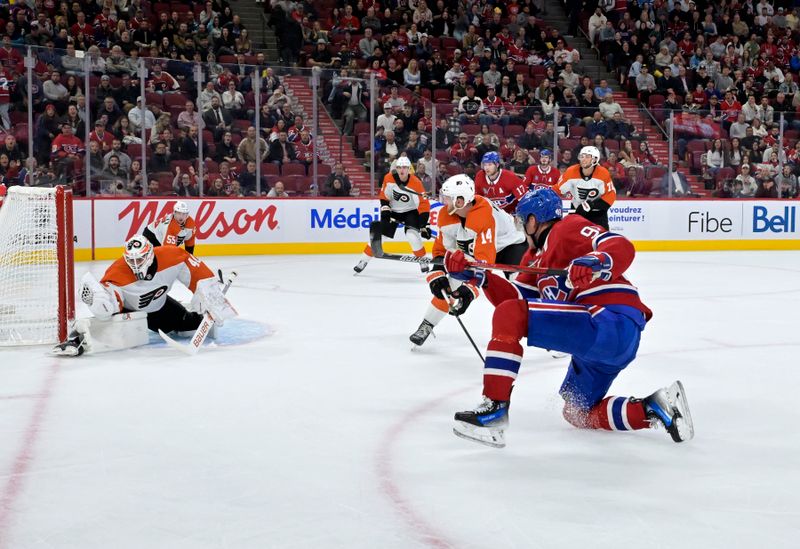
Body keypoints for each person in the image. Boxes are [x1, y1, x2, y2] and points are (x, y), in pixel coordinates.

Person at [446, 187, 694, 448]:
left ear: (534, 220)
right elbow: (517, 299)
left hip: (610, 319)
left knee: (508, 315)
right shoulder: (533, 259)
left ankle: (494, 409)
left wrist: (596, 260)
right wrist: (479, 277)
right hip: (600, 345)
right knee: (577, 412)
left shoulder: (566, 228)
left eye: (522, 220)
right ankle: (654, 408)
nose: (520, 227)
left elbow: (619, 245)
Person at [53, 235, 236, 357]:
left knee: (189, 324)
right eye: (130, 260)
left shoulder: (173, 256)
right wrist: (102, 302)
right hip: (131, 312)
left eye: (139, 260)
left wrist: (211, 297)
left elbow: (199, 274)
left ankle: (195, 317)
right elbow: (112, 300)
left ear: (149, 254)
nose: (134, 264)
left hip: (160, 308)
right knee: (106, 315)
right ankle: (76, 338)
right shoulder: (118, 271)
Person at [409, 174, 527, 346]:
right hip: (477, 248)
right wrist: (437, 274)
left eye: (448, 198)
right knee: (450, 282)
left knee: (521, 292)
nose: (444, 202)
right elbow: (441, 250)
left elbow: (484, 264)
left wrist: (469, 292)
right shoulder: (448, 215)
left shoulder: (482, 214)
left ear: (460, 201)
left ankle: (550, 336)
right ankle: (427, 324)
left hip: (509, 247)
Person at [353, 157, 431, 275]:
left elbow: (423, 204)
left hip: (410, 212)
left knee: (412, 236)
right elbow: (384, 197)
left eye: (404, 167)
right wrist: (385, 210)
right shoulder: (388, 178)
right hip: (393, 211)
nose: (401, 170)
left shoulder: (416, 183)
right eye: (399, 167)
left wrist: (423, 225)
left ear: (409, 169)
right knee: (380, 236)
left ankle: (423, 260)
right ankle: (363, 261)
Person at [555, 146, 616, 229]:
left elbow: (610, 196)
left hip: (597, 213)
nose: (583, 159)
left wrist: (591, 205)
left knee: (601, 239)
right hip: (577, 211)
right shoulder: (571, 172)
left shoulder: (603, 173)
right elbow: (557, 189)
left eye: (587, 156)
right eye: (582, 156)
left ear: (594, 159)